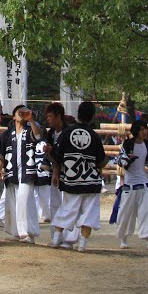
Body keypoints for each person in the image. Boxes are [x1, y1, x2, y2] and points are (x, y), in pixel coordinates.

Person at [50, 100, 106, 252]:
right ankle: (82, 244)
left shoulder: (66, 133)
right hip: (90, 180)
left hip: (71, 178)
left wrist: (56, 168)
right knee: (89, 212)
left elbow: (57, 156)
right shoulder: (94, 136)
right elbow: (102, 160)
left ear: (78, 114)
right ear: (92, 117)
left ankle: (56, 239)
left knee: (67, 208)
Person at [114, 120, 148, 250]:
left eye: (145, 129)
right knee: (126, 213)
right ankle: (123, 239)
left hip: (143, 182)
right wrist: (128, 158)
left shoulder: (147, 144)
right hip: (129, 184)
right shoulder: (128, 144)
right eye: (141, 129)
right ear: (136, 131)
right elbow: (120, 160)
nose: (144, 132)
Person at [0, 105, 41, 243]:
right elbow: (0, 154)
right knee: (13, 202)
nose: (21, 114)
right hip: (11, 172)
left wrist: (31, 120)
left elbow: (38, 136)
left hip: (27, 172)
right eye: (19, 112)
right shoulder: (7, 135)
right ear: (14, 116)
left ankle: (29, 233)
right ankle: (17, 232)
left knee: (25, 201)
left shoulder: (29, 130)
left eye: (24, 112)